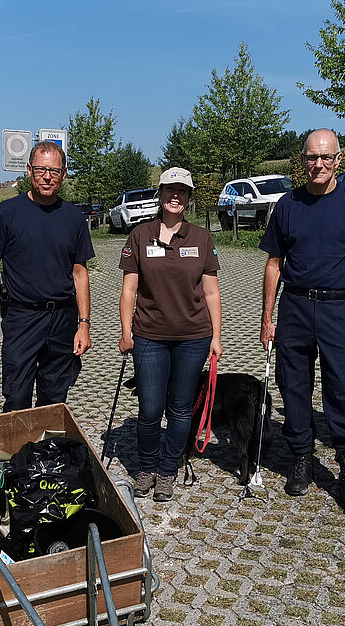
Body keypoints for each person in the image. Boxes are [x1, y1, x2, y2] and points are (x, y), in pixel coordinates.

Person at [260, 129, 345, 513]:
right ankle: (301, 458)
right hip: (294, 309)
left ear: (339, 159)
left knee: (341, 392)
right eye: (312, 157)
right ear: (303, 160)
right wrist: (266, 319)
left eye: (325, 157)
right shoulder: (287, 204)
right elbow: (274, 264)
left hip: (338, 310)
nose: (318, 164)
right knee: (293, 389)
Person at [118, 167, 222, 502]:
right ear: (160, 195)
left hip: (193, 337)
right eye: (169, 190)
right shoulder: (140, 235)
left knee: (179, 409)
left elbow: (211, 293)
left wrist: (217, 337)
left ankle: (167, 470)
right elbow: (129, 290)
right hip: (148, 335)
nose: (175, 196)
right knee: (149, 408)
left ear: (188, 197)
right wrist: (125, 331)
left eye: (182, 191)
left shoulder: (202, 238)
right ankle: (147, 467)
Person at [0, 141, 94, 411]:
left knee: (54, 400)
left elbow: (80, 273)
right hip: (22, 319)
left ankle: (47, 453)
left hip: (63, 320)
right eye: (40, 169)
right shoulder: (6, 213)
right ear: (29, 170)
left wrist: (84, 324)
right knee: (16, 398)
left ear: (63, 174)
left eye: (54, 170)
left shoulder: (74, 217)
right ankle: (18, 453)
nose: (47, 176)